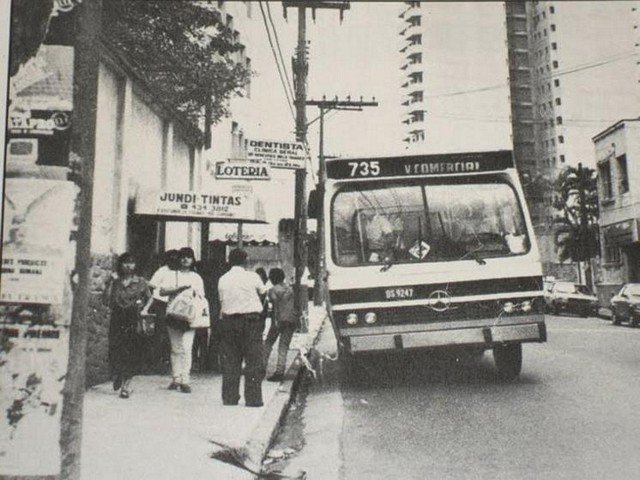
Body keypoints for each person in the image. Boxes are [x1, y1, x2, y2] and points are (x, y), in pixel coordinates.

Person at [148, 247, 205, 393]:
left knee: (187, 347)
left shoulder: (196, 277)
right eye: (183, 257)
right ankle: (176, 378)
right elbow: (162, 291)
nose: (185, 259)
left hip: (190, 315)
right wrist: (178, 289)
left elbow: (201, 296)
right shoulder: (172, 275)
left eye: (188, 257)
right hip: (173, 313)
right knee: (175, 347)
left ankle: (185, 379)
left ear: (193, 260)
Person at [217, 249, 267, 407]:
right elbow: (263, 292)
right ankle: (253, 399)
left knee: (231, 360)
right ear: (245, 260)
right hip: (251, 322)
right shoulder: (252, 277)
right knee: (253, 360)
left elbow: (221, 301)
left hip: (229, 322)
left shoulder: (223, 279)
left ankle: (230, 398)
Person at [105, 253, 151, 399]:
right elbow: (106, 300)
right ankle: (118, 374)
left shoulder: (141, 282)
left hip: (133, 318)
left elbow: (151, 298)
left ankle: (126, 387)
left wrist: (145, 309)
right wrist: (109, 283)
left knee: (131, 351)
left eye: (131, 263)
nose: (128, 266)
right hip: (117, 317)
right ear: (121, 264)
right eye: (125, 263)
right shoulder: (115, 281)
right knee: (115, 348)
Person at [146, 249, 179, 372]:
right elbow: (152, 286)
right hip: (161, 304)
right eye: (171, 258)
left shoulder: (179, 272)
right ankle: (157, 362)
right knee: (160, 333)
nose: (174, 260)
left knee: (172, 333)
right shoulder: (162, 271)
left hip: (176, 305)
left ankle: (168, 361)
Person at [263, 268, 297, 382]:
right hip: (291, 319)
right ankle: (280, 371)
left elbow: (275, 307)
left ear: (272, 279)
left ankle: (261, 368)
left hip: (279, 319)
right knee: (283, 347)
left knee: (268, 343)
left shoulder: (272, 290)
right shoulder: (290, 289)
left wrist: (275, 321)